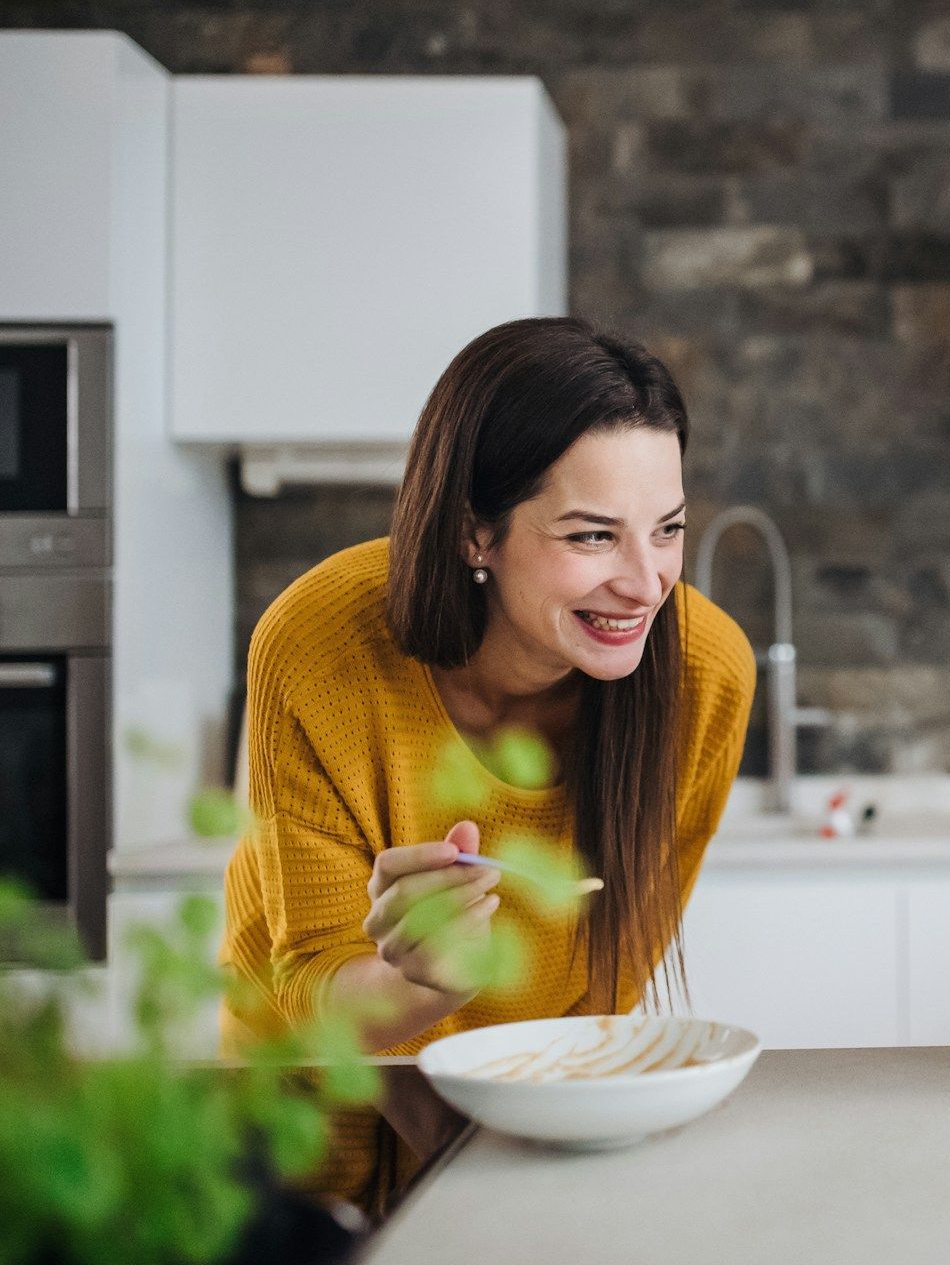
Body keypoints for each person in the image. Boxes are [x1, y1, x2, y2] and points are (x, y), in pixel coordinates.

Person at [219, 317, 754, 1202]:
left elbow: (603, 991)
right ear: (476, 534)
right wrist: (419, 982)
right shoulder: (319, 646)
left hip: (512, 1118)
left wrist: (500, 1161)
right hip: (301, 1120)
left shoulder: (705, 677)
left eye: (667, 529)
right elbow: (311, 995)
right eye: (591, 536)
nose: (646, 581)